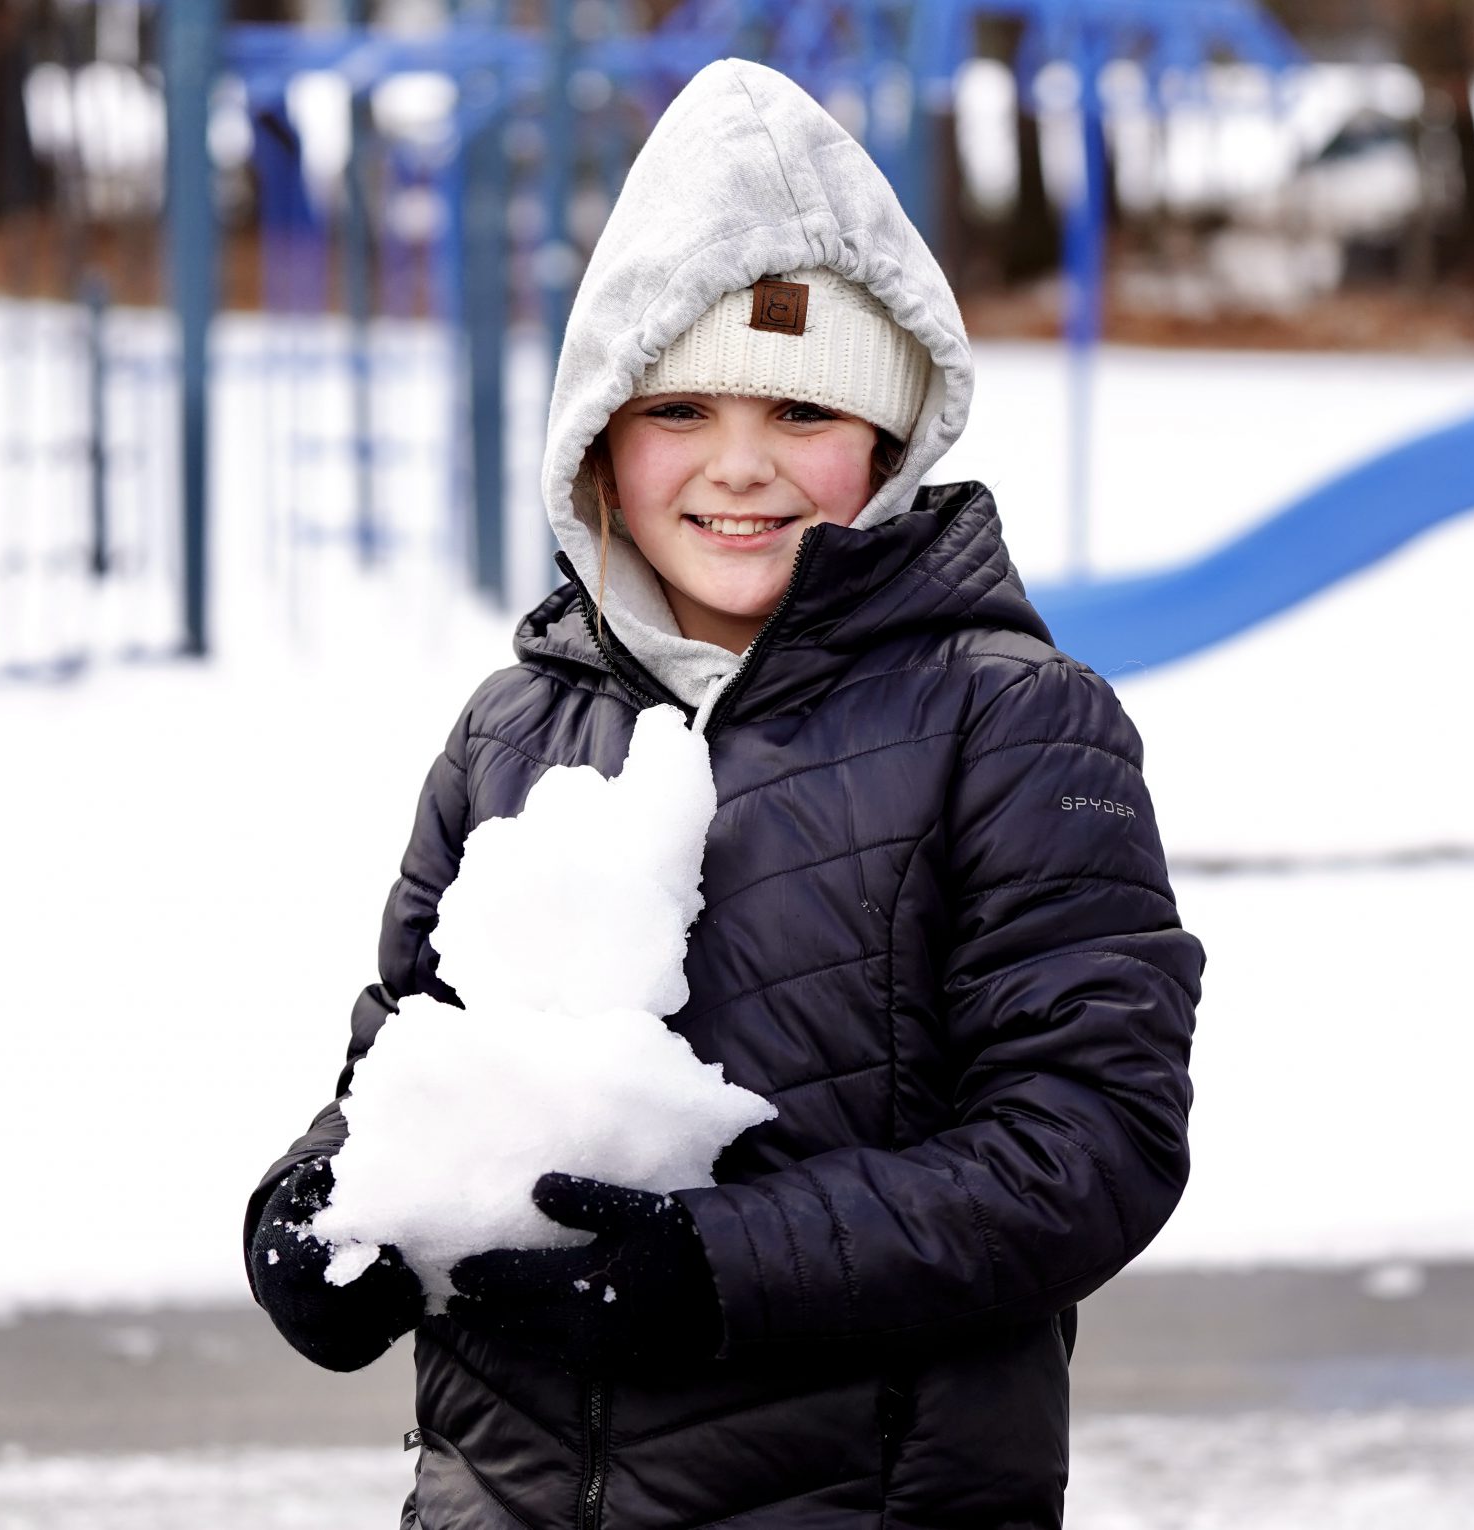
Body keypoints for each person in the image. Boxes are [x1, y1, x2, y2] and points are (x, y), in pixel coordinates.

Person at [246, 58, 1203, 1528]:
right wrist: (318, 1208)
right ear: (602, 445)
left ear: (884, 438)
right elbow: (403, 1064)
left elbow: (1086, 1142)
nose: (740, 469)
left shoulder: (1010, 725)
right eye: (679, 409)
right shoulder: (516, 729)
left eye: (801, 413)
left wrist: (715, 1268)